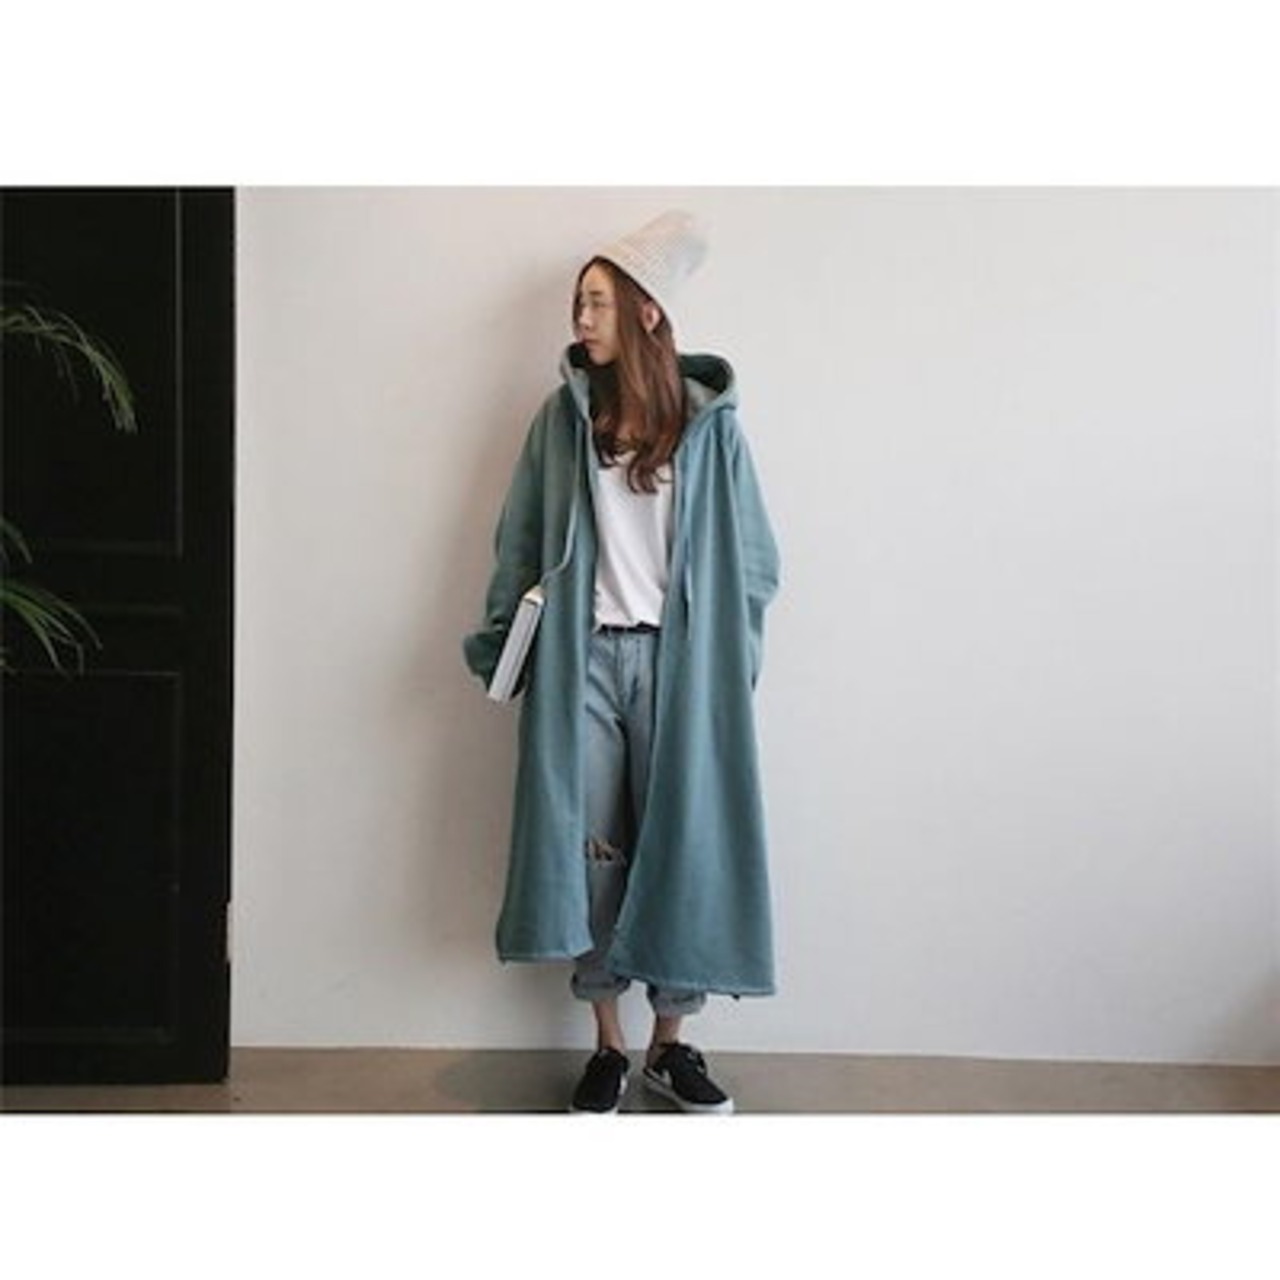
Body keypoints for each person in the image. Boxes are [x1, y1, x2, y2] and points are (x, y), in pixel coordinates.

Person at [464, 210, 780, 1114]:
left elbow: (755, 562)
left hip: (680, 672)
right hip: (585, 668)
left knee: (684, 846)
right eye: (578, 302)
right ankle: (607, 1044)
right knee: (593, 854)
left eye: (597, 301)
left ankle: (670, 1045)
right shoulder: (562, 422)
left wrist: (729, 664)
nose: (580, 318)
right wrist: (501, 644)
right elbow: (519, 541)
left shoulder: (709, 429)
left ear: (647, 312)